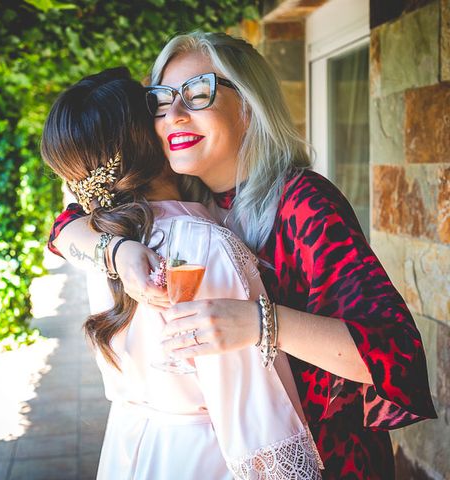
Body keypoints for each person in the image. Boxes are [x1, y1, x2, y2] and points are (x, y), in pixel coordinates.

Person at [46, 32, 437, 479]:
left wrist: (258, 322)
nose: (173, 115)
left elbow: (396, 354)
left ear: (248, 107)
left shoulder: (304, 201)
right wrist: (115, 250)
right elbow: (65, 226)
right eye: (160, 100)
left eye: (197, 94)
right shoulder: (189, 197)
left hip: (332, 459)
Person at [41, 67, 323, 479]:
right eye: (157, 107)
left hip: (131, 451)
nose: (173, 117)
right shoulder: (202, 246)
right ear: (151, 140)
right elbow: (258, 426)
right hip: (203, 459)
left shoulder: (102, 239)